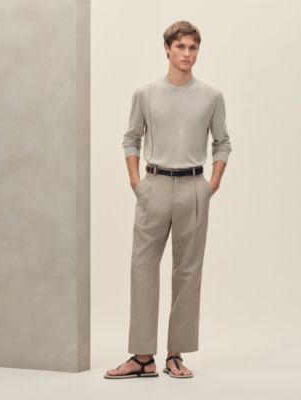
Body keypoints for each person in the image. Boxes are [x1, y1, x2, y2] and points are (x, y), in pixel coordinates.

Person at [104, 20, 232, 379]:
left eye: (193, 48)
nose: (187, 54)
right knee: (142, 267)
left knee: (187, 272)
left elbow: (222, 142)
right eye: (180, 47)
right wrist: (136, 182)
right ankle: (143, 357)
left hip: (193, 188)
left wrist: (212, 184)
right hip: (154, 185)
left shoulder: (211, 96)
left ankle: (175, 354)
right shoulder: (145, 94)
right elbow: (131, 137)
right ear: (167, 49)